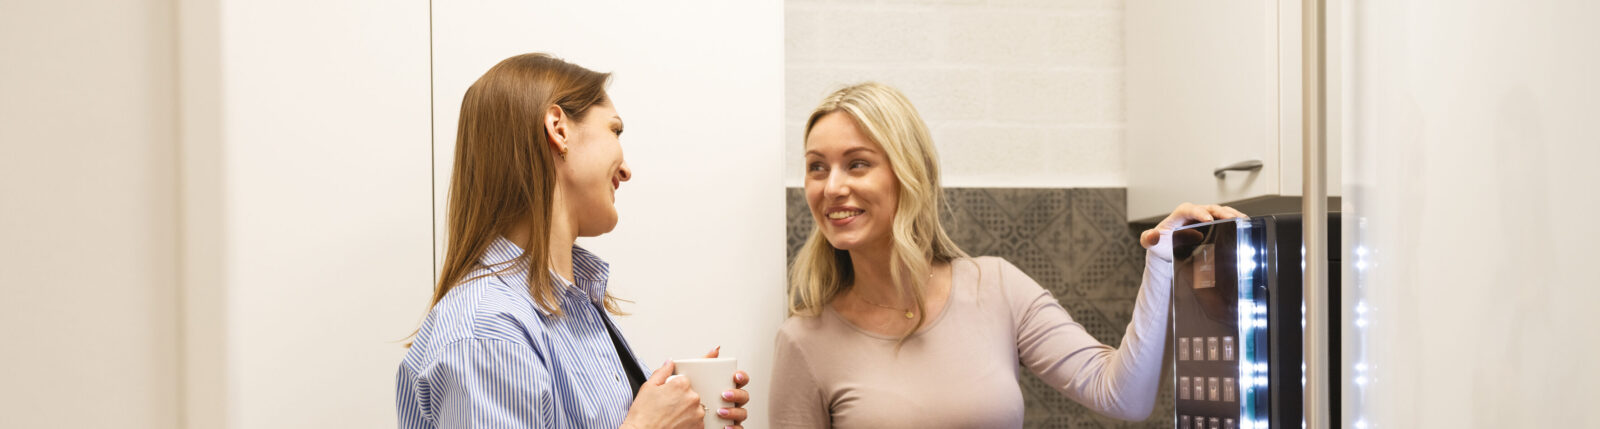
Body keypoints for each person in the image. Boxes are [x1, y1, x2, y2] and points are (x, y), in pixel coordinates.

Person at [770, 82, 1244, 427]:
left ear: (908, 173)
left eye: (857, 163)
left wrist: (1162, 261)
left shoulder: (996, 287)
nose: (832, 187)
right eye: (816, 168)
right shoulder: (805, 341)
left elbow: (1125, 395)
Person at [396, 53, 750, 429]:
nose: (627, 169)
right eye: (615, 131)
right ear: (558, 129)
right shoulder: (487, 331)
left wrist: (687, 414)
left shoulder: (571, 309)